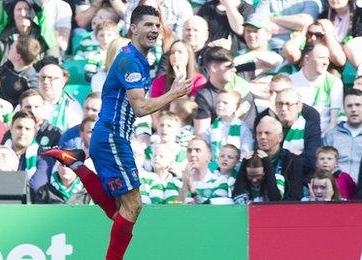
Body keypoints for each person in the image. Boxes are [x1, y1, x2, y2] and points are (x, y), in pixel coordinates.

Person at [42, 6, 192, 260]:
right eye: (147, 25)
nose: (154, 29)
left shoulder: (139, 59)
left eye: (157, 25)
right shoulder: (130, 60)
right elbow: (141, 107)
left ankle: (76, 164)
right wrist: (174, 93)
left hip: (112, 137)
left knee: (122, 211)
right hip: (112, 137)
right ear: (133, 28)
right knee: (132, 207)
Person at [324, 89, 362, 182]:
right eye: (349, 106)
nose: (354, 109)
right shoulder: (331, 136)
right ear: (344, 108)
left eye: (358, 105)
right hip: (337, 189)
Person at [289, 43, 343, 133]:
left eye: (327, 58)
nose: (326, 62)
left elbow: (333, 123)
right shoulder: (291, 81)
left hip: (322, 136)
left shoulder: (334, 82)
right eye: (321, 58)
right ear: (307, 59)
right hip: (293, 135)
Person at [254, 116, 304, 201]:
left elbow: (295, 196)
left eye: (267, 133)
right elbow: (239, 193)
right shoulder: (251, 159)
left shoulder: (292, 161)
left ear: (280, 137)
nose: (262, 137)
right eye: (259, 133)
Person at [178, 137, 230, 204]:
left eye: (197, 150)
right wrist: (184, 186)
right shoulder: (175, 182)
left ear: (208, 157)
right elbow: (170, 210)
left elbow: (213, 211)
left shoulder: (220, 182)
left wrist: (193, 191)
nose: (192, 154)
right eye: (189, 151)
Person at [0, 35, 40, 108]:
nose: (9, 49)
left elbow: (33, 100)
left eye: (12, 48)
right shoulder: (7, 66)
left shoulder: (30, 79)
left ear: (17, 56)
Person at [39, 64, 83, 131]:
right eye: (43, 77)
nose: (45, 82)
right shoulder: (29, 101)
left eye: (50, 78)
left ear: (62, 82)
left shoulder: (72, 106)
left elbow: (74, 136)